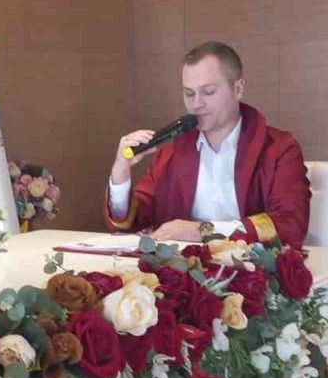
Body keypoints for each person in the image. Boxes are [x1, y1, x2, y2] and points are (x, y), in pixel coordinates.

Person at [106, 41, 311, 246]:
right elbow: (134, 219)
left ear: (238, 88)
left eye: (209, 91)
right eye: (189, 93)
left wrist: (203, 231)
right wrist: (121, 171)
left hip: (248, 264)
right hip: (181, 264)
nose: (196, 104)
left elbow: (289, 224)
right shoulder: (172, 149)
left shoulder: (279, 149)